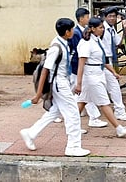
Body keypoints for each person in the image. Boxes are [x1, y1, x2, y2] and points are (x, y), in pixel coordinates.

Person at [20, 18, 90, 157]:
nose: (73, 31)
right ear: (67, 32)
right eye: (71, 29)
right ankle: (73, 146)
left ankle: (30, 133)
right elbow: (46, 70)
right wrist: (39, 94)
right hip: (59, 84)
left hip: (63, 81)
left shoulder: (63, 43)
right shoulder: (56, 47)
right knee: (73, 114)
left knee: (55, 112)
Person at [75, 17, 126, 137]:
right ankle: (119, 128)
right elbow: (81, 64)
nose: (102, 30)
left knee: (81, 102)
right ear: (92, 29)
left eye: (103, 27)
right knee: (104, 103)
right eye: (100, 27)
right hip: (91, 76)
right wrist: (79, 83)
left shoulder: (97, 40)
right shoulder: (86, 43)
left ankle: (72, 126)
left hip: (97, 73)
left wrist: (113, 72)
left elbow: (103, 60)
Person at [70, 7, 107, 128]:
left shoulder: (88, 34)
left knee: (83, 98)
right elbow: (80, 55)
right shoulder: (77, 33)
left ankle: (90, 119)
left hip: (87, 71)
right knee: (75, 96)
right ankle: (64, 116)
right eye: (87, 16)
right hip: (80, 69)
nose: (88, 18)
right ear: (81, 19)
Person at [101, 7, 126, 121]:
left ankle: (119, 111)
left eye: (114, 16)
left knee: (112, 87)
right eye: (110, 16)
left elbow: (118, 43)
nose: (112, 18)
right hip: (101, 61)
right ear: (105, 17)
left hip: (108, 61)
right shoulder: (101, 28)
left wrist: (125, 31)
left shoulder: (111, 29)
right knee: (110, 87)